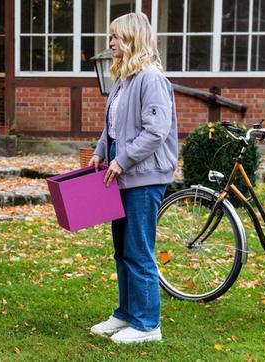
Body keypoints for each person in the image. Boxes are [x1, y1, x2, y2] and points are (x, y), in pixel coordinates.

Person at [87, 12, 178, 344]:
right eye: (111, 37)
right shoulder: (123, 79)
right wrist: (101, 152)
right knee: (122, 250)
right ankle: (125, 314)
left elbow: (156, 131)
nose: (110, 43)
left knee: (139, 250)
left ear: (134, 40)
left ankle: (147, 324)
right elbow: (113, 127)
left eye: (117, 37)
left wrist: (121, 160)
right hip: (122, 175)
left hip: (143, 177)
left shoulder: (151, 79)